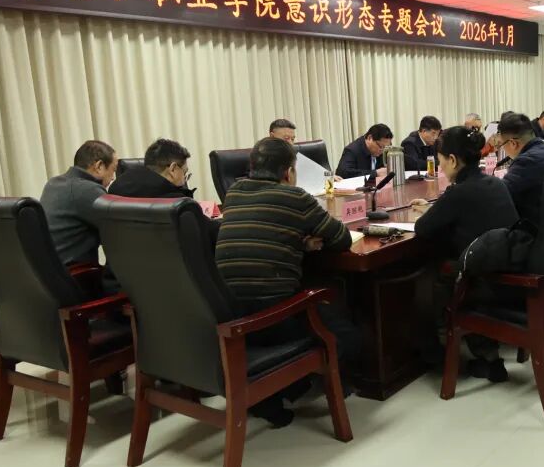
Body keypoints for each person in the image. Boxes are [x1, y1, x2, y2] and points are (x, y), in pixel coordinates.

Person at [216, 137, 361, 425]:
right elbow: (342, 238)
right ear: (288, 172)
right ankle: (306, 386)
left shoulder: (234, 193)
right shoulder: (295, 197)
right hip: (274, 317)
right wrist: (307, 239)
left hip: (230, 313)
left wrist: (298, 241)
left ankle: (272, 395)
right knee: (347, 332)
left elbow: (262, 232)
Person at [411, 127, 520, 380]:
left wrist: (434, 211)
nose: (440, 168)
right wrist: (435, 208)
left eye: (441, 161)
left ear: (452, 160)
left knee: (429, 277)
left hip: (483, 283)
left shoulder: (458, 192)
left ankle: (436, 350)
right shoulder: (495, 183)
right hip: (511, 271)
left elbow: (423, 229)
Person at [40, 140, 117, 265]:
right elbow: (119, 230)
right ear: (99, 166)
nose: (113, 177)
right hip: (75, 273)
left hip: (48, 271)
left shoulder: (53, 183)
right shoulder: (88, 190)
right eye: (113, 170)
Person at [498, 113, 544, 227]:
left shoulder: (525, 162)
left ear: (513, 143)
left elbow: (502, 196)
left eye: (501, 145)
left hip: (536, 231)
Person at [109, 138, 195, 199]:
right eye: (184, 173)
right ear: (172, 169)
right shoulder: (179, 203)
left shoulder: (115, 190)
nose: (184, 180)